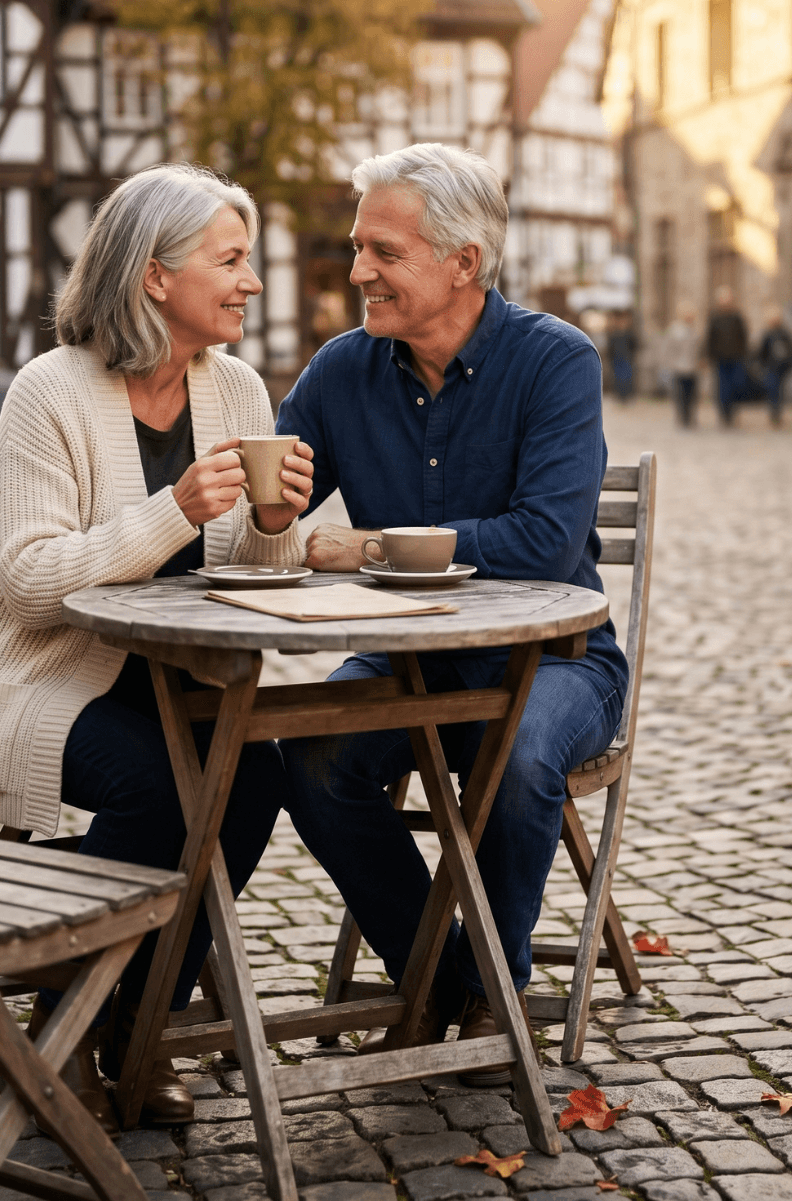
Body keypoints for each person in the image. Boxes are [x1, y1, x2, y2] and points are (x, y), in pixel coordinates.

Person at [0, 164, 314, 1131]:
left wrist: (276, 522)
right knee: (164, 787)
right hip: (32, 681)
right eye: (230, 260)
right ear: (154, 275)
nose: (251, 282)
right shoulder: (49, 392)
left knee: (254, 776)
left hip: (166, 683)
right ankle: (77, 1018)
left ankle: (132, 1025)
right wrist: (173, 509)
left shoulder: (237, 389)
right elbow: (30, 579)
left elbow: (255, 569)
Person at [276, 143, 628, 1081]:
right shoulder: (341, 370)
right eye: (359, 247)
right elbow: (269, 503)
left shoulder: (555, 361)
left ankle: (490, 996)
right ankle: (441, 981)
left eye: (384, 252)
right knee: (307, 756)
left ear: (463, 262)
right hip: (407, 664)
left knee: (518, 757)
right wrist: (260, 503)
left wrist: (370, 546)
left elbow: (544, 543)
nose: (358, 270)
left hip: (558, 664)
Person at [706, 286, 748, 425]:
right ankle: (724, 413)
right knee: (723, 387)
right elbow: (710, 338)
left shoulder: (737, 317)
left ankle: (733, 410)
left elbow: (743, 337)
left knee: (737, 384)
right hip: (720, 358)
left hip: (736, 357)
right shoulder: (715, 318)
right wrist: (709, 356)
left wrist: (744, 354)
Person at [756, 309, 792, 427]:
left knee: (779, 391)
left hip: (782, 367)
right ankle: (774, 414)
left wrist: (790, 363)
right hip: (771, 367)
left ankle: (776, 413)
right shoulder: (768, 335)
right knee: (773, 390)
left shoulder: (784, 334)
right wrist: (762, 365)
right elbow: (762, 352)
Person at [664, 309, 701, 427]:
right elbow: (669, 349)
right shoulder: (675, 331)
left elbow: (698, 349)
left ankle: (690, 416)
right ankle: (682, 416)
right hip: (679, 368)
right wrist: (671, 363)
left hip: (693, 367)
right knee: (680, 394)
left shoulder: (695, 330)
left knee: (692, 394)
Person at [606, 310, 636, 401]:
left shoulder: (629, 334)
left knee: (627, 376)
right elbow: (610, 348)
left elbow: (633, 346)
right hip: (616, 359)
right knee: (618, 377)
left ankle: (627, 394)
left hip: (626, 358)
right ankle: (619, 394)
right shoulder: (613, 335)